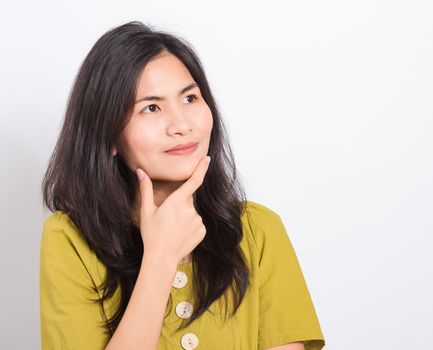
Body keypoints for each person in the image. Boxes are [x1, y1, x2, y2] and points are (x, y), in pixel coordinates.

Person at [40, 21, 325, 350]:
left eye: (190, 98)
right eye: (151, 107)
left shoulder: (259, 231)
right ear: (109, 134)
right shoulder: (69, 239)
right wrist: (160, 258)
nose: (181, 124)